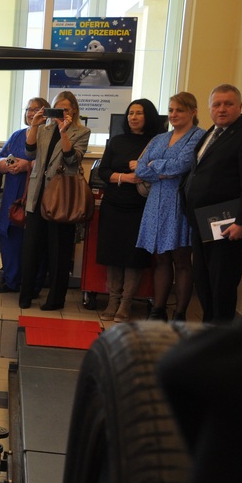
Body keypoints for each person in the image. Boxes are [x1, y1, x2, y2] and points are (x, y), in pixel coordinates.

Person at [182, 84, 242, 322]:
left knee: (222, 286)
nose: (222, 109)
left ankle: (221, 337)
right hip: (203, 221)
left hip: (229, 222)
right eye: (216, 104)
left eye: (228, 104)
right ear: (209, 108)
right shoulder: (212, 132)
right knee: (204, 283)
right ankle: (209, 332)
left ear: (240, 106)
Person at [133, 93, 204, 321]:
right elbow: (140, 169)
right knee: (161, 259)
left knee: (181, 261)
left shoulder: (199, 136)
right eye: (171, 110)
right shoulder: (159, 138)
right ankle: (158, 310)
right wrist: (161, 170)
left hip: (179, 204)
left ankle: (180, 313)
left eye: (179, 110)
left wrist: (155, 165)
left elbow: (182, 165)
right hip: (155, 204)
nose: (173, 114)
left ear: (193, 112)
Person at [18, 91, 91, 311]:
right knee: (30, 248)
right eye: (58, 109)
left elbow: (72, 160)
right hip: (38, 193)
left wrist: (64, 132)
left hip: (61, 196)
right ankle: (26, 294)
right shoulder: (43, 129)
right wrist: (34, 125)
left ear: (74, 111)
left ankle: (56, 299)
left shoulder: (82, 132)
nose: (61, 114)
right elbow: (29, 153)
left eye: (65, 110)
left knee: (59, 250)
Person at [95, 98, 160, 321]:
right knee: (112, 254)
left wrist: (140, 171)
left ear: (148, 116)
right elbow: (103, 171)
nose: (133, 117)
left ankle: (126, 303)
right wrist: (125, 177)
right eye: (131, 113)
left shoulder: (156, 142)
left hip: (140, 207)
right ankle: (113, 300)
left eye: (139, 113)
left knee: (134, 257)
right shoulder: (116, 141)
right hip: (113, 205)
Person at [0, 97, 48, 294]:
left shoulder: (49, 136)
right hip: (12, 195)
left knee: (34, 240)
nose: (32, 113)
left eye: (37, 109)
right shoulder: (17, 135)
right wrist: (5, 164)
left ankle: (32, 285)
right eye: (29, 109)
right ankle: (10, 280)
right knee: (10, 236)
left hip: (36, 196)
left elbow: (51, 164)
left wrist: (27, 165)